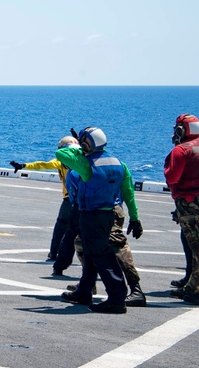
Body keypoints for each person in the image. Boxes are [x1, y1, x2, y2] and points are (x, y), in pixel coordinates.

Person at [57, 127, 143, 314]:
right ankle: (84, 291)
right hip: (110, 213)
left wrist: (78, 147)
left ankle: (116, 297)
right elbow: (128, 192)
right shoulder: (118, 163)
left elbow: (61, 153)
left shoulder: (87, 165)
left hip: (90, 214)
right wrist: (135, 218)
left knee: (101, 255)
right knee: (90, 253)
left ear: (88, 143)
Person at [164, 114, 199, 306]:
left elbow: (172, 178)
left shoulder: (181, 150)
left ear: (181, 130)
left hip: (190, 202)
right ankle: (194, 286)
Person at [10, 135, 80, 260]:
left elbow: (43, 165)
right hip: (86, 199)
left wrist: (23, 165)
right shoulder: (83, 160)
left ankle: (54, 252)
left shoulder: (62, 162)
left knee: (61, 226)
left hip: (69, 199)